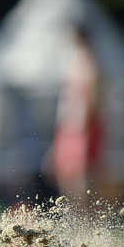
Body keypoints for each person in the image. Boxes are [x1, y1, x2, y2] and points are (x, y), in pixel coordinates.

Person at [47, 23, 105, 215]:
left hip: (82, 126)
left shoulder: (89, 61)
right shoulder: (76, 60)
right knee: (66, 175)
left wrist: (86, 122)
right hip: (71, 125)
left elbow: (93, 97)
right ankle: (75, 215)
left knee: (82, 177)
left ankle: (86, 219)